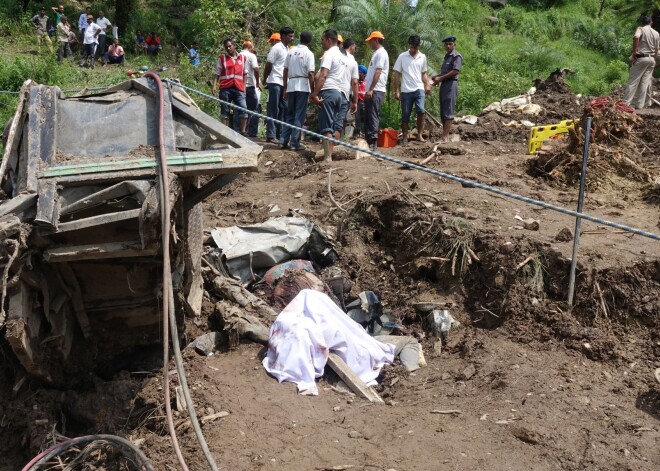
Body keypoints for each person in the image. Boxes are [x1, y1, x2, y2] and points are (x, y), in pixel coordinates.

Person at [310, 29, 352, 161]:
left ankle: (327, 158)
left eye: (322, 39)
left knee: (327, 127)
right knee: (336, 127)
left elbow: (323, 75)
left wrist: (314, 94)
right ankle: (332, 155)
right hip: (341, 94)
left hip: (329, 92)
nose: (321, 42)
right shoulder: (343, 56)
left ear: (328, 40)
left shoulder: (329, 54)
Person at [393, 35, 431, 146]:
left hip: (419, 88)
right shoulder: (402, 57)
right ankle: (405, 137)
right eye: (411, 47)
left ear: (418, 46)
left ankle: (419, 135)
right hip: (406, 90)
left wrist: (427, 83)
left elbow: (423, 73)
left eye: (414, 47)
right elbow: (397, 74)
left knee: (421, 110)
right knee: (405, 114)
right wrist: (396, 91)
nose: (412, 49)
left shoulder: (422, 57)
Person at [280, 31, 315, 150]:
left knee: (289, 114)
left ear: (300, 39)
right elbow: (310, 73)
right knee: (299, 115)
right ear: (309, 41)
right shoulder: (309, 53)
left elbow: (285, 70)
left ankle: (283, 140)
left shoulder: (291, 51)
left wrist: (285, 87)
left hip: (291, 84)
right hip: (303, 86)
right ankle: (294, 143)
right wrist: (313, 91)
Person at [212, 38, 249, 135]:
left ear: (234, 46)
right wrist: (214, 86)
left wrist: (244, 87)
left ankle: (243, 131)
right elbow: (217, 74)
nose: (228, 48)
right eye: (226, 47)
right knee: (225, 111)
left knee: (243, 108)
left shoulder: (242, 58)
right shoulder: (222, 58)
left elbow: (245, 73)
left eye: (230, 46)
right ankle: (224, 132)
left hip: (239, 88)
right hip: (225, 88)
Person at [264, 28, 294, 143]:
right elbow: (269, 64)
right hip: (275, 81)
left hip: (284, 83)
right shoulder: (276, 48)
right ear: (283, 36)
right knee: (273, 108)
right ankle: (270, 135)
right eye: (290, 36)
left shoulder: (287, 49)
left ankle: (280, 134)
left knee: (284, 109)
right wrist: (264, 78)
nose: (292, 38)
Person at [622, 16, 660, 110]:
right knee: (644, 82)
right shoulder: (656, 33)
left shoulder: (640, 29)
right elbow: (656, 49)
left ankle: (625, 104)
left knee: (633, 81)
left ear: (643, 23)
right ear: (651, 22)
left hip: (641, 58)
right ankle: (640, 105)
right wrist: (654, 59)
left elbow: (636, 37)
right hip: (651, 60)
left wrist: (635, 51)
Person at [432, 36, 463, 143]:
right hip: (444, 85)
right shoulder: (447, 57)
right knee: (444, 109)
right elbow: (445, 73)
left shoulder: (456, 56)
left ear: (454, 45)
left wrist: (440, 78)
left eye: (450, 44)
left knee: (448, 110)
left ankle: (445, 137)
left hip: (451, 84)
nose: (448, 46)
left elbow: (455, 71)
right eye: (446, 44)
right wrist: (436, 77)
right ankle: (444, 136)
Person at [364, 31, 389, 151]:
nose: (369, 43)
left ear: (376, 41)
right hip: (372, 90)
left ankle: (373, 142)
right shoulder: (377, 53)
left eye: (371, 41)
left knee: (373, 115)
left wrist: (371, 89)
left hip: (376, 90)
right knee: (369, 115)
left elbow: (378, 71)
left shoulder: (381, 54)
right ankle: (368, 140)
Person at [240, 40, 261, 137]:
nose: (253, 49)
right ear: (250, 47)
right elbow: (256, 69)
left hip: (238, 86)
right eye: (253, 47)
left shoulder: (237, 55)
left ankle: (238, 131)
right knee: (254, 109)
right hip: (249, 85)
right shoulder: (252, 56)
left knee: (239, 108)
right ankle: (252, 132)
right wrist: (257, 82)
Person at [340, 38, 359, 138]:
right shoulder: (352, 60)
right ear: (351, 46)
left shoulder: (335, 56)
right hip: (345, 93)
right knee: (341, 120)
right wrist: (355, 101)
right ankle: (338, 142)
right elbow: (355, 82)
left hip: (332, 91)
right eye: (355, 46)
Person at [355, 64, 367, 138]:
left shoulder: (367, 82)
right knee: (357, 118)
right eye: (358, 72)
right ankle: (357, 133)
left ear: (364, 74)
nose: (359, 74)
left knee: (365, 119)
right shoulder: (355, 82)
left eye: (360, 72)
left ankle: (365, 134)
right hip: (358, 102)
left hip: (365, 102)